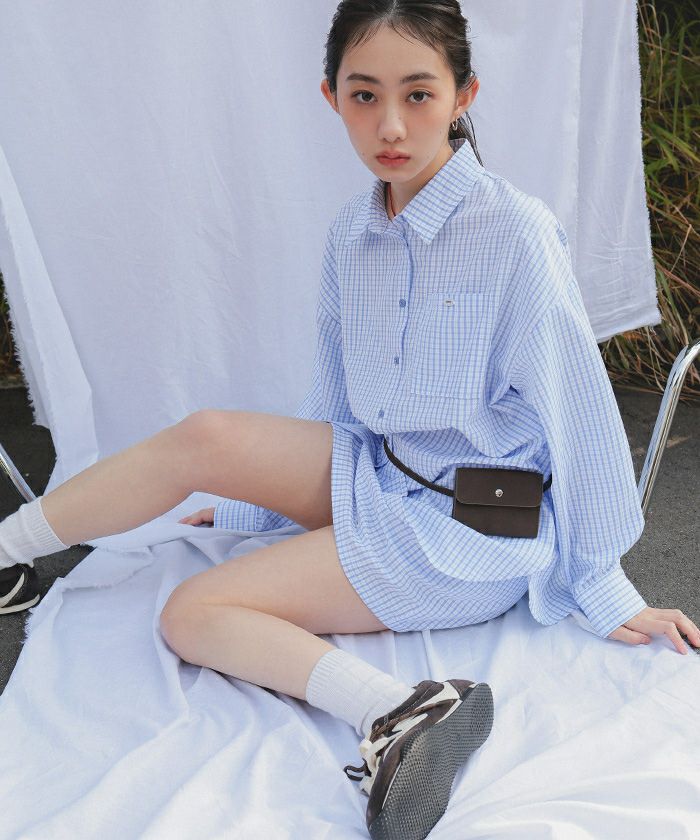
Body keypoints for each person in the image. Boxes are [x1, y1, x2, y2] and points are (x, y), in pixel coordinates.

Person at [1, 2, 698, 838]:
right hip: (379, 476)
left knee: (192, 613)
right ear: (331, 97)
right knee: (207, 436)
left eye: (418, 94)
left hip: (466, 529)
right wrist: (259, 503)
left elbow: (578, 413)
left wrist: (602, 583)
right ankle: (5, 552)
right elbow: (334, 405)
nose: (391, 125)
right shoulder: (353, 233)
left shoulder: (514, 232)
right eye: (365, 95)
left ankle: (402, 710)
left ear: (464, 95)